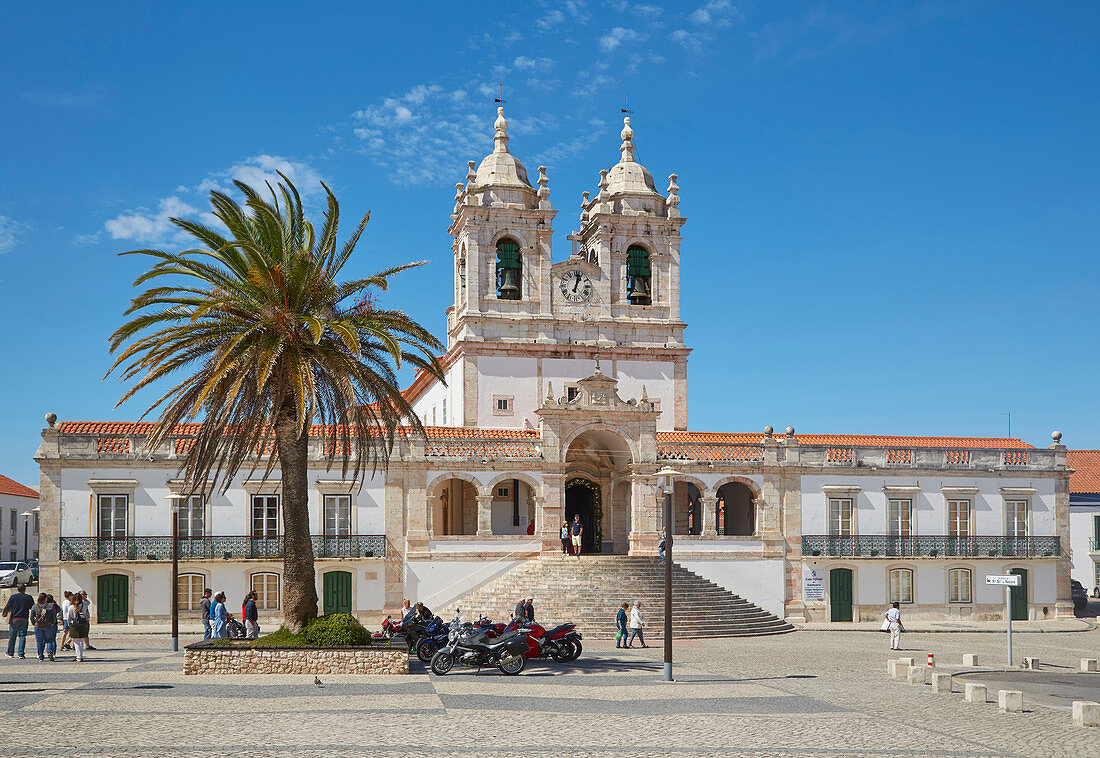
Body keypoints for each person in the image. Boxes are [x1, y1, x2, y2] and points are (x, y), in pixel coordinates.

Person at [3, 584, 34, 659]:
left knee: (12, 636)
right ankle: (21, 653)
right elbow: (32, 607)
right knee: (22, 636)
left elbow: (7, 607)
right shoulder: (28, 597)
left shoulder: (13, 597)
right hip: (24, 618)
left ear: (17, 589)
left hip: (14, 619)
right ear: (25, 589)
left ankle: (10, 653)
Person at [31, 593, 60, 661]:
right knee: (49, 640)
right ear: (45, 599)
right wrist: (52, 623)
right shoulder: (50, 606)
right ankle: (50, 652)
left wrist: (34, 623)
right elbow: (53, 616)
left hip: (38, 626)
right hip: (48, 625)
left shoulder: (35, 606)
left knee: (39, 641)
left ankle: (40, 656)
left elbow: (31, 616)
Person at [64, 593, 89, 661]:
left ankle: (79, 657)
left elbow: (69, 617)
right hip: (82, 624)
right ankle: (80, 655)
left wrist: (69, 624)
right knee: (81, 641)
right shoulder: (84, 606)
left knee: (76, 642)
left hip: (74, 625)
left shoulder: (71, 607)